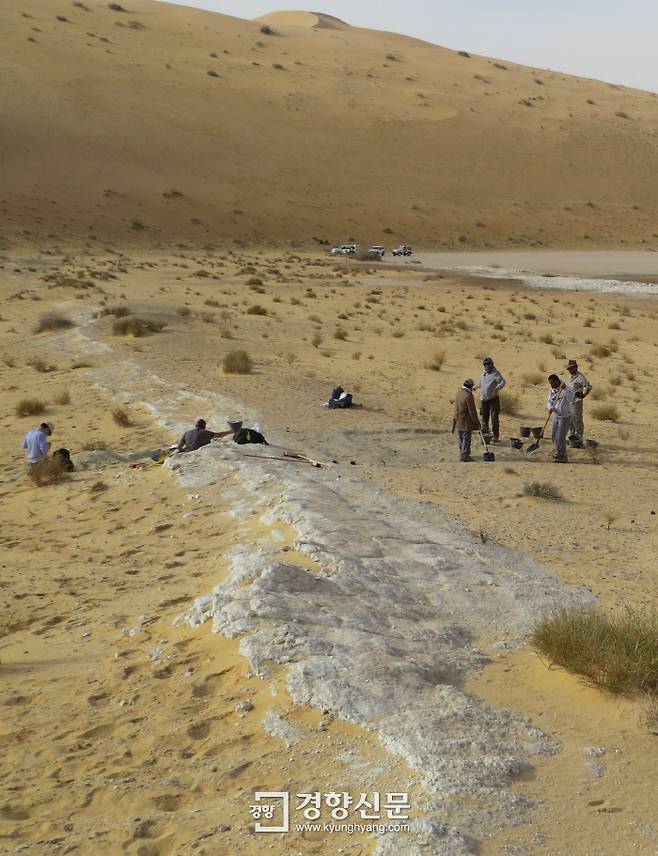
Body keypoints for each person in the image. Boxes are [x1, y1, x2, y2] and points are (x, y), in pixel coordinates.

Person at [475, 357, 506, 442]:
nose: (487, 366)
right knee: (484, 416)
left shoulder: (495, 374)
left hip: (493, 399)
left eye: (488, 364)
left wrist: (497, 388)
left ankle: (495, 435)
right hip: (484, 398)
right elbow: (481, 383)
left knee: (494, 417)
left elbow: (503, 382)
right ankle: (485, 434)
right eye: (485, 365)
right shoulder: (483, 374)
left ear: (492, 364)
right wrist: (475, 387)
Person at [547, 374, 575, 463]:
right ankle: (559, 451)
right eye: (550, 383)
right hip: (557, 414)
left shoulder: (568, 387)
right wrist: (550, 408)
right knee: (554, 435)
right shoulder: (552, 389)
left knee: (560, 437)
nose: (551, 385)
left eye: (552, 383)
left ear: (557, 381)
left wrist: (565, 389)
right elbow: (550, 400)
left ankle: (563, 456)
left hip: (565, 416)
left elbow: (571, 399)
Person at [452, 379, 481, 462]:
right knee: (466, 437)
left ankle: (462, 453)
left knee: (461, 437)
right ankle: (465, 456)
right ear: (471, 387)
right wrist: (477, 422)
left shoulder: (459, 392)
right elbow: (472, 411)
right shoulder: (468, 396)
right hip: (465, 420)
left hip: (458, 418)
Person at [566, 359, 592, 440]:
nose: (569, 370)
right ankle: (572, 435)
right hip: (569, 401)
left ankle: (579, 436)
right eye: (568, 369)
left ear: (575, 368)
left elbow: (589, 386)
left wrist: (583, 395)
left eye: (571, 368)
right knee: (570, 419)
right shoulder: (571, 376)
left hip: (576, 402)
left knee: (577, 419)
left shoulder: (580, 377)